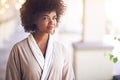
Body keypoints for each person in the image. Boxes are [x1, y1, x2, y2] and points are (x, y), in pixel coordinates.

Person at [5, 0, 75, 80]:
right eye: (45, 18)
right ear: (34, 19)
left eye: (54, 17)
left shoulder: (62, 50)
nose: (52, 22)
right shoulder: (18, 50)